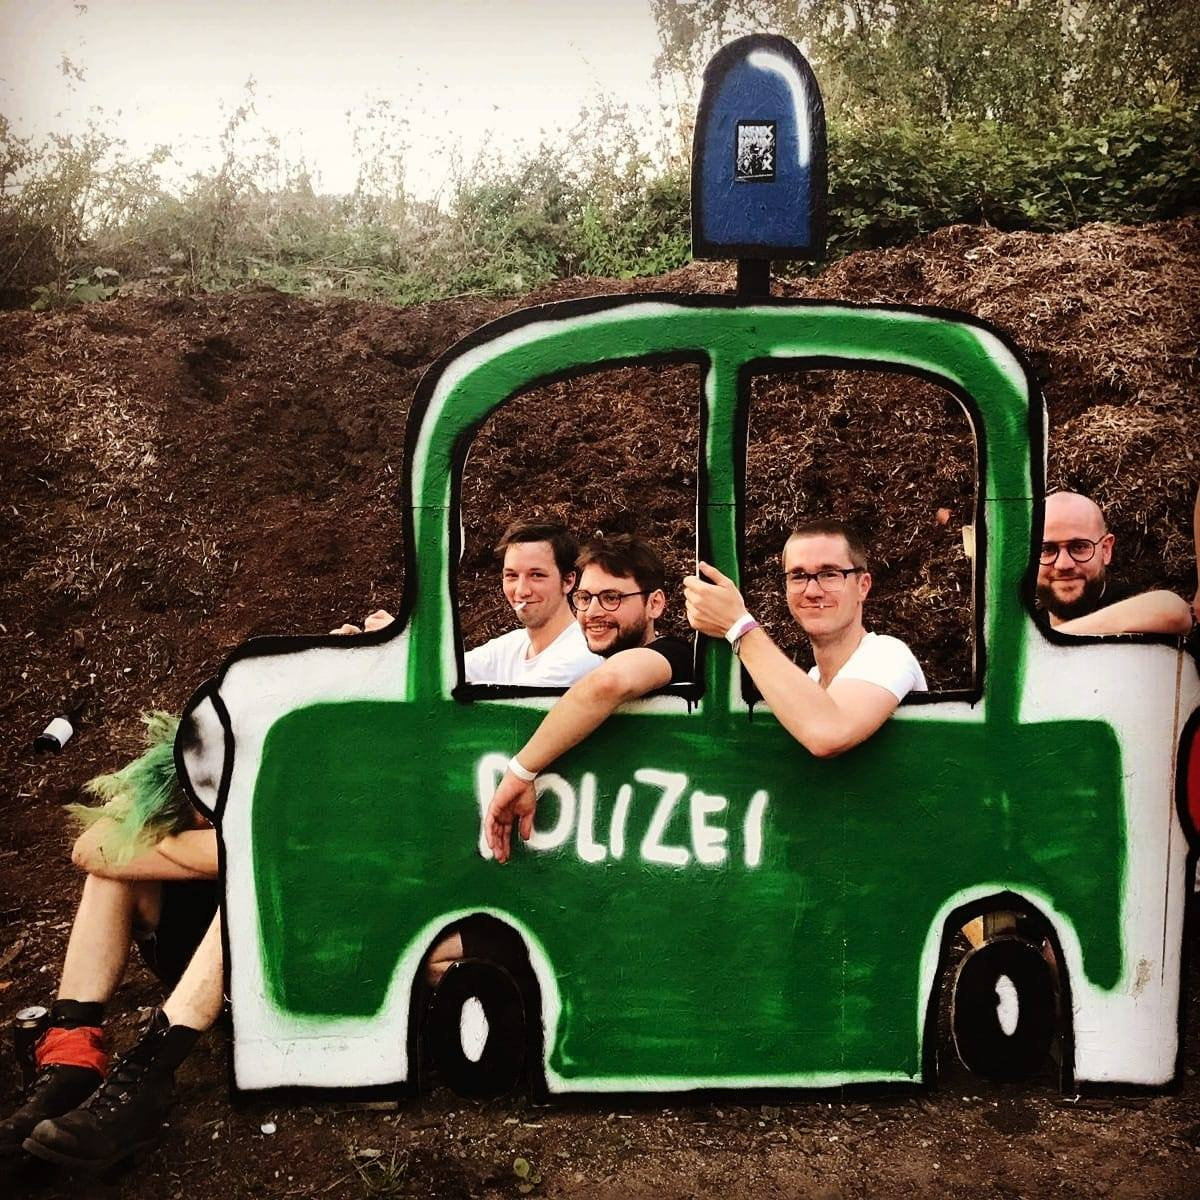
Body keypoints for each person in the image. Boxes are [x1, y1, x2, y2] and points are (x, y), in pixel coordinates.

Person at [1, 796, 223, 1170]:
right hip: (191, 952)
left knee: (253, 883)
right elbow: (90, 847)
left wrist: (155, 837)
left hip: (273, 971)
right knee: (108, 875)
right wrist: (194, 849)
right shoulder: (183, 764)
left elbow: (260, 855)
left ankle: (149, 1076)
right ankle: (71, 1057)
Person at [485, 534, 691, 862]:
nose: (592, 612)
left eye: (611, 598)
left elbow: (609, 683)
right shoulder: (593, 662)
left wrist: (520, 771)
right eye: (584, 598)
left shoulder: (674, 654)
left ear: (654, 603)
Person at [684, 519, 926, 757]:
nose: (811, 591)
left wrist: (738, 627)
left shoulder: (889, 655)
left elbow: (829, 732)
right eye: (798, 576)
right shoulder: (811, 682)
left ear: (863, 586)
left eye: (830, 574)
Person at [1036, 491, 1192, 636]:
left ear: (1105, 550)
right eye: (1047, 549)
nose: (1063, 564)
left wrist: (1052, 640)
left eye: (1079, 547)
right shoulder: (1028, 625)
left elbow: (1174, 611)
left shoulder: (1133, 604)